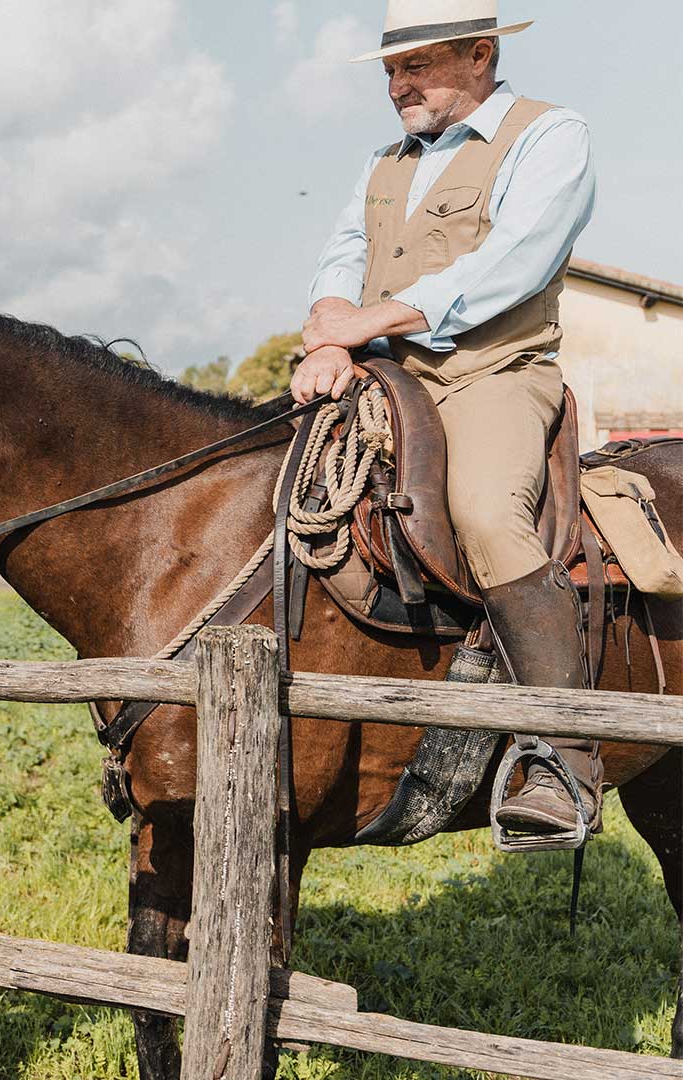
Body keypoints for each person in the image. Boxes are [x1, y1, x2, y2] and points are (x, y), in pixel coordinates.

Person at [292, 1, 597, 838]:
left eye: (416, 66)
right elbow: (343, 252)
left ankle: (564, 759)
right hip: (387, 371)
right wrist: (328, 329)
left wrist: (369, 321)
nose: (398, 85)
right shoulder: (384, 161)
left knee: (487, 515)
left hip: (493, 371)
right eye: (392, 70)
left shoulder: (549, 134)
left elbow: (515, 262)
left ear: (481, 54)